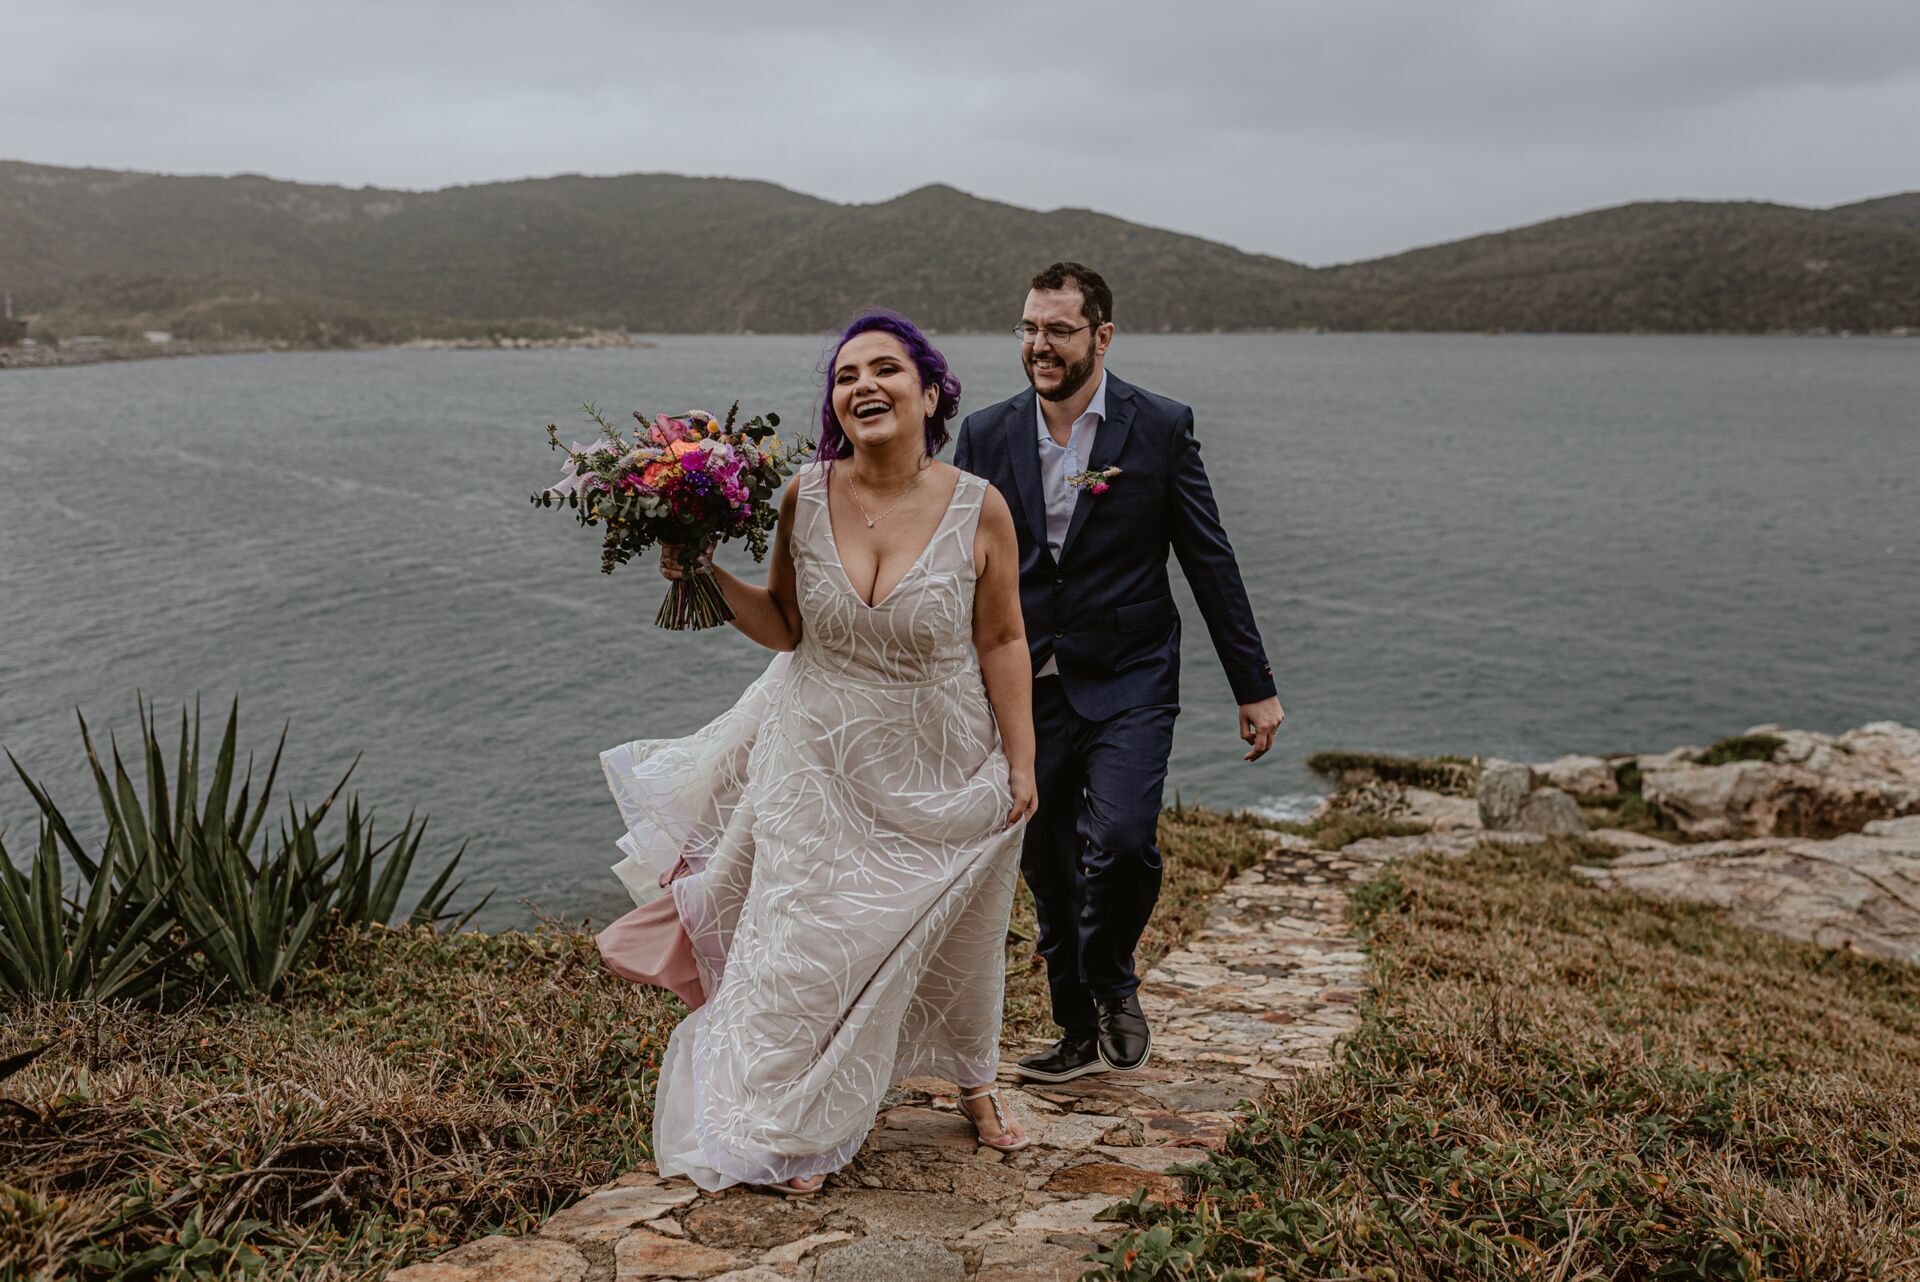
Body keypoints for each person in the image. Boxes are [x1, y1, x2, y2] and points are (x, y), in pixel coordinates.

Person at [596, 311, 1038, 1196]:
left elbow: (1001, 640)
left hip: (938, 760)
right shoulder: (802, 494)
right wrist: (702, 571)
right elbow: (786, 626)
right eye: (845, 377)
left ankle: (975, 1082)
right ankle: (786, 1123)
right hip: (814, 756)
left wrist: (1022, 763)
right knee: (798, 941)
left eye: (885, 370)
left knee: (956, 935)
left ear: (929, 390)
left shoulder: (977, 506)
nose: (863, 386)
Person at [954, 261, 1284, 1084]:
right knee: (1050, 870)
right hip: (1023, 687)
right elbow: (956, 569)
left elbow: (1209, 558)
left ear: (1101, 336)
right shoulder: (987, 435)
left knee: (1126, 843)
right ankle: (1074, 1034)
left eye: (1058, 330)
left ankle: (1112, 980)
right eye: (1030, 327)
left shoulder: (1159, 427)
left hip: (1131, 674)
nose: (1039, 345)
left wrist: (1255, 685)